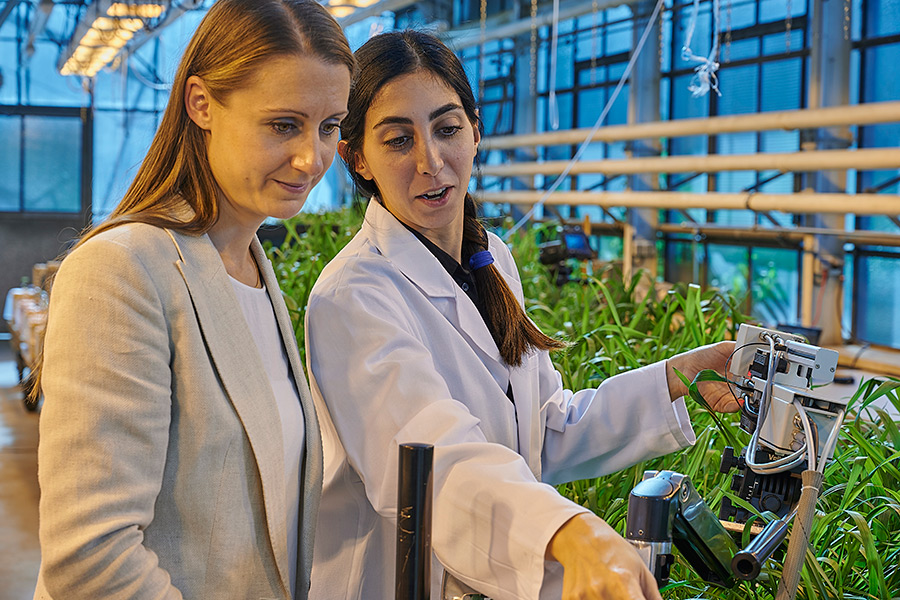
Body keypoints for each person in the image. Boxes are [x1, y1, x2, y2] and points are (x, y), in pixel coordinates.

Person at [304, 30, 739, 600]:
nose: (431, 161)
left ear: (476, 131)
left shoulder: (495, 260)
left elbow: (545, 431)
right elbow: (436, 464)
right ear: (357, 158)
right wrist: (569, 534)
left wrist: (681, 379)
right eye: (397, 139)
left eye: (447, 128)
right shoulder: (352, 296)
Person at [31, 1, 353, 598]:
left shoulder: (255, 268)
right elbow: (91, 558)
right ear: (201, 104)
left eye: (330, 126)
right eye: (284, 125)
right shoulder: (123, 271)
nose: (313, 158)